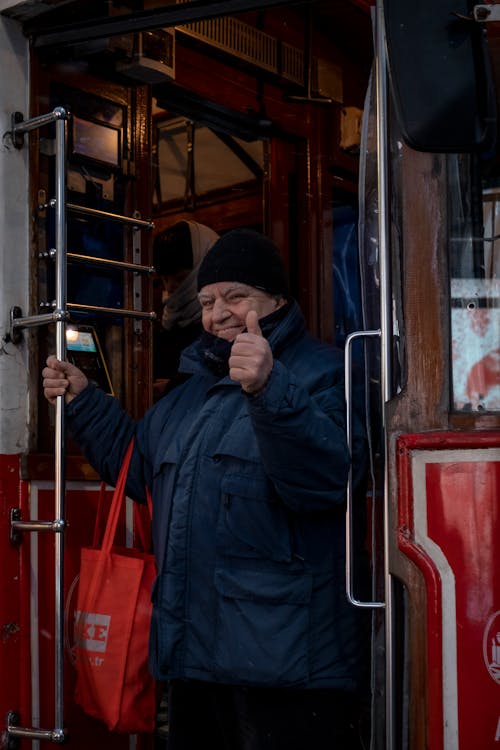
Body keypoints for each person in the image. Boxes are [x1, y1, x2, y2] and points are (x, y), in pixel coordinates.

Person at [43, 228, 370, 750]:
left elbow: (323, 481)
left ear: (277, 300)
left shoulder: (326, 373)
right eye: (207, 301)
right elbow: (139, 470)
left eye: (236, 297)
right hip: (195, 659)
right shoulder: (187, 393)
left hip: (287, 668)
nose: (217, 314)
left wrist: (269, 387)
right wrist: (85, 402)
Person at [152, 220, 219, 395]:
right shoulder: (165, 318)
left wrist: (173, 387)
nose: (170, 288)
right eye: (165, 280)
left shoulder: (221, 323)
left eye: (181, 279)